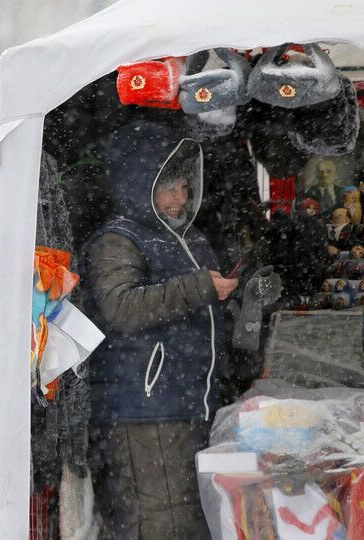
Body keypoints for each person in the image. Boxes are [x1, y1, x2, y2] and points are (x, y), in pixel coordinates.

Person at [81, 121, 238, 539]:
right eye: (169, 188)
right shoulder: (117, 240)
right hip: (145, 407)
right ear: (139, 184)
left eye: (184, 187)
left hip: (184, 402)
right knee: (161, 521)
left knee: (190, 515)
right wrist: (200, 287)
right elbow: (122, 307)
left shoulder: (185, 238)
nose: (180, 198)